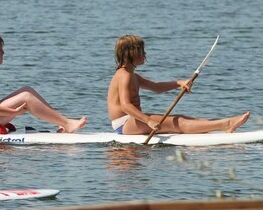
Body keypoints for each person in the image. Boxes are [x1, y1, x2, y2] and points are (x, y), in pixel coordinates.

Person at [107, 34, 250, 135]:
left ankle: (220, 125)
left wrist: (178, 83)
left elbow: (156, 87)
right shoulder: (124, 76)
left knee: (180, 117)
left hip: (132, 121)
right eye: (141, 51)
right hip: (124, 124)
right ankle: (227, 124)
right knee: (177, 122)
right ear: (132, 53)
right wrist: (148, 121)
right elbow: (126, 106)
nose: (145, 54)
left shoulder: (132, 75)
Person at [0, 34, 86, 134]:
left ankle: (62, 122)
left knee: (27, 90)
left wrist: (11, 111)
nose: (3, 52)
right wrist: (14, 112)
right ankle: (67, 123)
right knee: (25, 97)